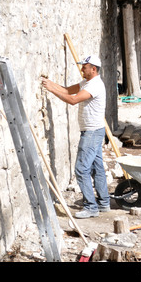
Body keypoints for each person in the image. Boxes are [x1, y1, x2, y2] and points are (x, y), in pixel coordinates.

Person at [41, 55, 110, 219]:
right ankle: (104, 203)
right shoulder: (86, 83)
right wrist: (51, 84)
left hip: (92, 132)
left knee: (81, 169)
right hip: (94, 131)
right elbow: (66, 90)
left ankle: (91, 207)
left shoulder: (95, 85)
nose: (81, 69)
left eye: (84, 67)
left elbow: (73, 100)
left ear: (93, 69)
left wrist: (51, 90)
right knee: (97, 167)